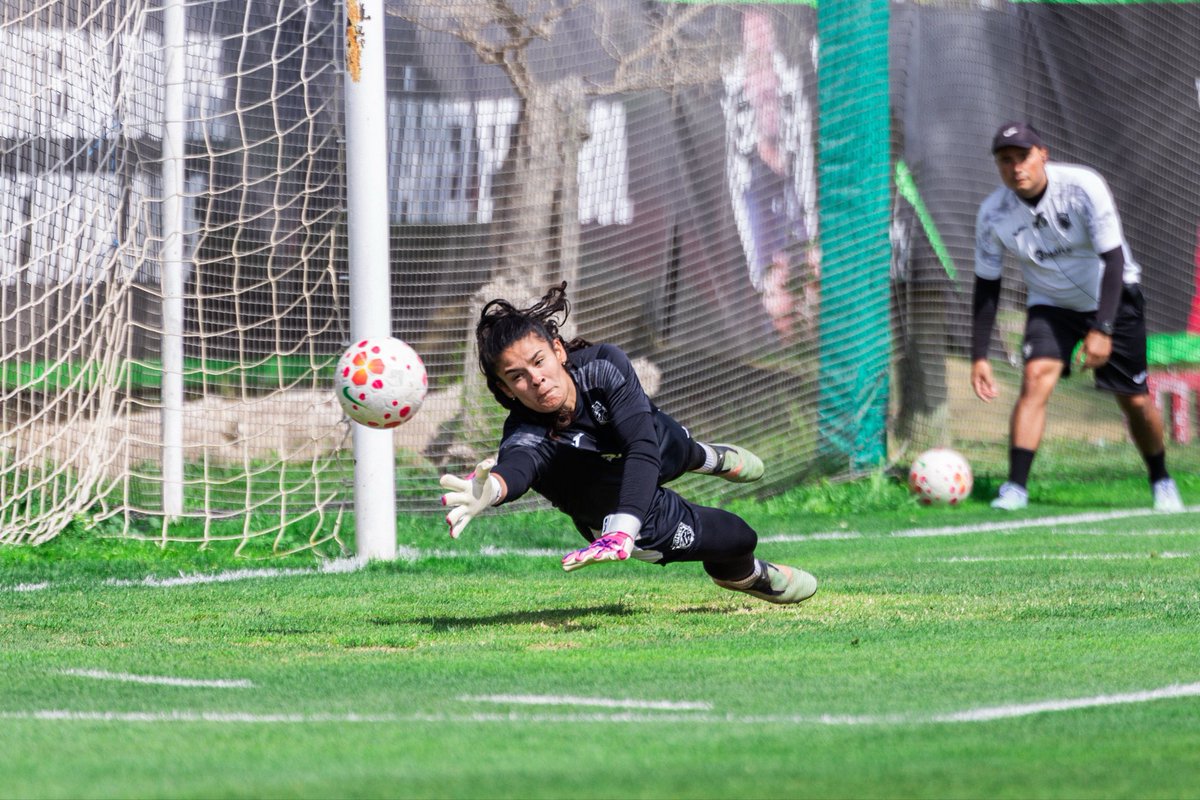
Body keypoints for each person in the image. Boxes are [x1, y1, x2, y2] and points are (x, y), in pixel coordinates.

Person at [438, 283, 817, 605]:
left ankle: (701, 455)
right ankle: (743, 575)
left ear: (558, 351)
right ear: (504, 389)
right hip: (608, 506)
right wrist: (492, 490)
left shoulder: (602, 366)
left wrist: (626, 525)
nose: (535, 379)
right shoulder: (527, 432)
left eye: (539, 361)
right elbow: (517, 466)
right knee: (738, 536)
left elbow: (641, 446)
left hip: (640, 469)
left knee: (658, 439)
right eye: (517, 377)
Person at [972, 121, 1184, 512]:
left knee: (1133, 401)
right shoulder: (993, 214)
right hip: (1051, 304)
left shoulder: (1083, 186)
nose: (1016, 167)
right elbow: (987, 286)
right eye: (1005, 160)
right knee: (1035, 378)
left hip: (1113, 297)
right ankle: (1016, 487)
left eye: (1023, 157)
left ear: (1043, 155)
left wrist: (1102, 328)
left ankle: (1161, 478)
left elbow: (1114, 258)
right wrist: (980, 356)